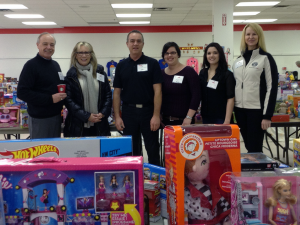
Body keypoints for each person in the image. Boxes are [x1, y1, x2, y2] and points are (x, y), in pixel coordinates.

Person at [113, 30, 163, 166]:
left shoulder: (152, 64)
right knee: (132, 151)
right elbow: (116, 93)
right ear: (127, 44)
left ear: (143, 44)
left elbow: (158, 91)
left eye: (138, 41)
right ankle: (135, 180)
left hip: (149, 112)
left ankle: (157, 182)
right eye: (132, 41)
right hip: (128, 113)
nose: (135, 44)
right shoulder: (121, 66)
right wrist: (117, 117)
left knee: (153, 149)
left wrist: (156, 115)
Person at [233, 23, 278, 152]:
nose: (250, 37)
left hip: (256, 111)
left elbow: (272, 87)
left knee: (255, 147)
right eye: (248, 34)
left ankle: (257, 170)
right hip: (240, 111)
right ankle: (254, 169)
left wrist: (267, 115)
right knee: (248, 145)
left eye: (254, 34)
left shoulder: (266, 58)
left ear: (259, 36)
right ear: (244, 37)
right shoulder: (237, 61)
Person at [17, 32, 67, 139]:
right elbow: (22, 92)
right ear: (37, 45)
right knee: (42, 152)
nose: (49, 47)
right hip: (40, 119)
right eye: (45, 44)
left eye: (52, 45)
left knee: (54, 151)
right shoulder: (31, 65)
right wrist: (50, 99)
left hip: (56, 116)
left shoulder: (55, 65)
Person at [64, 41, 111, 137]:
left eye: (87, 52)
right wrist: (87, 116)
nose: (84, 55)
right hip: (78, 126)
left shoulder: (100, 72)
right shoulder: (71, 76)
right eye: (80, 52)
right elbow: (68, 100)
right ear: (75, 55)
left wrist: (102, 113)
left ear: (91, 55)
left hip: (100, 124)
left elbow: (108, 95)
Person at [184, 150, 231, 225]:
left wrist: (227, 217)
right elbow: (184, 211)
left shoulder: (210, 188)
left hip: (215, 221)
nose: (208, 164)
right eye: (204, 162)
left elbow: (222, 201)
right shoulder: (188, 192)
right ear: (193, 168)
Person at [161, 42, 200, 126]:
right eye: (166, 53)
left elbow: (196, 95)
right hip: (166, 122)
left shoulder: (189, 71)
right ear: (164, 56)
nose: (169, 55)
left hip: (184, 122)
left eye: (173, 53)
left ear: (178, 54)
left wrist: (189, 117)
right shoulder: (161, 74)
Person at [199, 42, 235, 124]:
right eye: (209, 53)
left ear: (220, 55)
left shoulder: (227, 74)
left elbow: (231, 98)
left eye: (215, 53)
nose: (211, 55)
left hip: (221, 118)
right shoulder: (203, 73)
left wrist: (227, 120)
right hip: (205, 117)